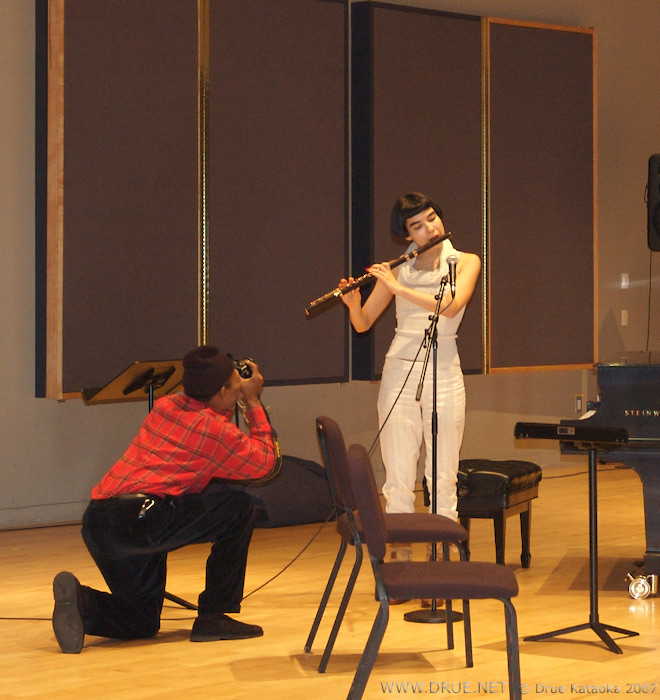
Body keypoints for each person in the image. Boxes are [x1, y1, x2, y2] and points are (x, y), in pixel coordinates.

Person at [52, 345, 279, 653]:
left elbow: (209, 420)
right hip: (144, 520)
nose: (240, 387)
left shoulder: (166, 405)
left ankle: (83, 603)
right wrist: (252, 399)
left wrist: (233, 395)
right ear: (223, 391)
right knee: (238, 508)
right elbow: (266, 463)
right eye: (235, 385)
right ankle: (213, 616)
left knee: (142, 622)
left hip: (99, 521)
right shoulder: (214, 430)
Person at [339, 192, 480, 563]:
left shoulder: (466, 262)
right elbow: (364, 322)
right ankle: (399, 563)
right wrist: (354, 303)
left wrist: (401, 288)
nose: (429, 228)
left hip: (444, 371)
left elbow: (450, 308)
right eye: (418, 225)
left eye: (432, 218)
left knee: (443, 473)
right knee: (398, 474)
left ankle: (444, 562)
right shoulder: (399, 268)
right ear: (406, 236)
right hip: (400, 371)